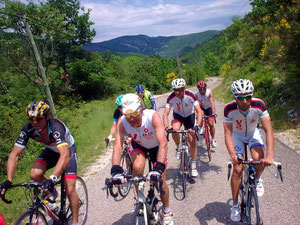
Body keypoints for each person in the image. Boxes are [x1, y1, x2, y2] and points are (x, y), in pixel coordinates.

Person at [0, 101, 80, 225]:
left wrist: (52, 178)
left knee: (70, 189)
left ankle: (75, 221)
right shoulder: (28, 129)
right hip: (51, 150)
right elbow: (14, 154)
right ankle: (52, 193)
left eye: (39, 118)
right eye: (32, 119)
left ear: (47, 117)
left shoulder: (55, 126)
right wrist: (8, 180)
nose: (35, 122)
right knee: (35, 174)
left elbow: (64, 155)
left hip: (67, 151)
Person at [110, 93, 173, 225]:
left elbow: (163, 143)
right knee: (137, 168)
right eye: (128, 115)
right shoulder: (122, 122)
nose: (132, 118)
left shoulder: (152, 116)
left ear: (141, 109)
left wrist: (159, 168)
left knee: (160, 180)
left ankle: (166, 210)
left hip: (157, 147)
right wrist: (115, 169)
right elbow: (117, 146)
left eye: (134, 113)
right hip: (139, 146)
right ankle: (139, 198)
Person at [223, 79, 274, 222]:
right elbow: (227, 134)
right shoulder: (229, 108)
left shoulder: (259, 105)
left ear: (252, 95)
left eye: (248, 96)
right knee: (238, 169)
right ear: (235, 97)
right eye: (240, 98)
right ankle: (234, 205)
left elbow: (268, 130)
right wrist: (233, 156)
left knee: (259, 159)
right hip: (237, 136)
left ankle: (257, 179)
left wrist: (269, 155)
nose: (245, 101)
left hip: (253, 133)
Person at [163, 78, 203, 177]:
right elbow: (165, 113)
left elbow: (199, 111)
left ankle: (193, 165)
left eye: (179, 89)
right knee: (175, 130)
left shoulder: (190, 95)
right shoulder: (171, 97)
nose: (177, 92)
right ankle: (178, 146)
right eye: (175, 89)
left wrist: (197, 125)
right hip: (178, 115)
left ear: (184, 88)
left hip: (190, 115)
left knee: (192, 138)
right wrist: (167, 126)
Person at [195, 80, 217, 148]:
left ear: (206, 88)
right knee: (200, 114)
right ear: (198, 89)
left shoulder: (209, 92)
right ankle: (201, 127)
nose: (202, 91)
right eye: (200, 89)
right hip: (201, 108)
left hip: (209, 108)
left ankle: (213, 139)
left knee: (211, 124)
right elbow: (195, 106)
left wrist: (213, 113)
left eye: (204, 89)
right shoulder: (196, 95)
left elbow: (212, 103)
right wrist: (196, 114)